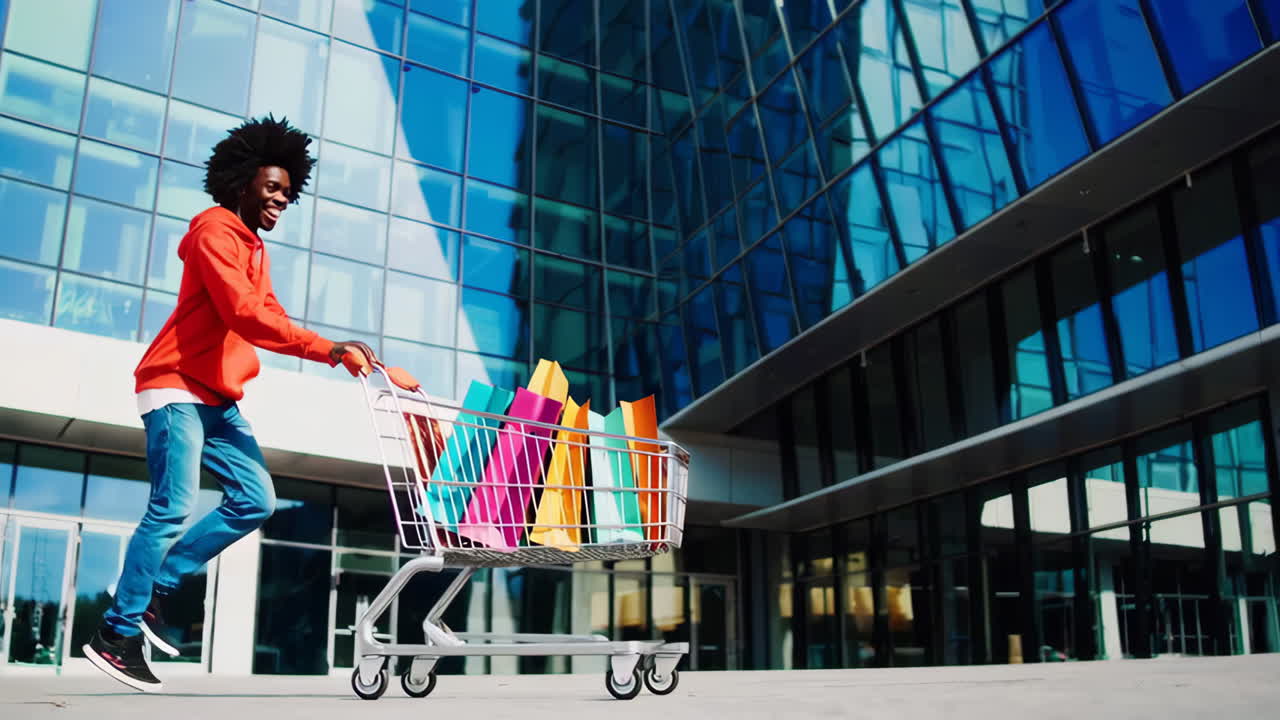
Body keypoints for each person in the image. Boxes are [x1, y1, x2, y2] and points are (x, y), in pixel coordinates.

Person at [83, 116, 376, 692]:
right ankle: (115, 636)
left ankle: (156, 589)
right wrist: (329, 349)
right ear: (242, 182)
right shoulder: (215, 232)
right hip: (175, 385)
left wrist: (347, 352)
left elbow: (273, 319)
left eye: (289, 194)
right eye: (272, 188)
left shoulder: (255, 250)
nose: (281, 201)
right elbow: (245, 315)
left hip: (216, 397)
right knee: (171, 506)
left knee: (256, 499)